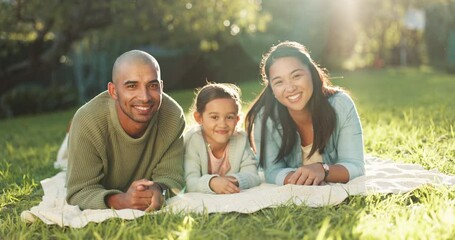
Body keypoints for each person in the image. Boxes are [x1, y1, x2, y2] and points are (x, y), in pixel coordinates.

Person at [66, 50, 186, 211]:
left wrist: (158, 190)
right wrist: (122, 201)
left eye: (152, 85)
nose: (144, 97)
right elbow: (79, 191)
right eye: (132, 86)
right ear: (113, 91)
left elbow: (172, 178)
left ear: (161, 86)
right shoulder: (88, 120)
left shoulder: (172, 116)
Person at [245, 41, 364, 186]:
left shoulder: (341, 105)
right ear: (272, 89)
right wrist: (302, 179)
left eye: (296, 76)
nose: (290, 88)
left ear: (311, 73)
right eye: (279, 82)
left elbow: (355, 166)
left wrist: (323, 171)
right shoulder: (265, 117)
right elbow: (271, 171)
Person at [184, 83, 261, 194]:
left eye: (229, 117)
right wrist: (212, 183)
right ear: (199, 118)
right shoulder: (193, 141)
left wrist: (232, 181)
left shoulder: (240, 139)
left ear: (237, 119)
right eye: (215, 117)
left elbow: (253, 176)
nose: (223, 124)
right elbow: (189, 182)